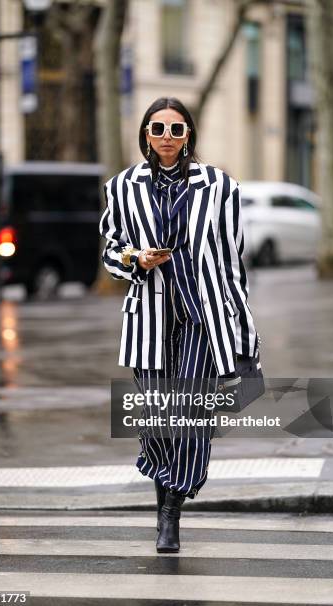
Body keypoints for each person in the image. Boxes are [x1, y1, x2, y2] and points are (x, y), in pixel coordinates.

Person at [99, 96, 260, 553]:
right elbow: (112, 253)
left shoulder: (220, 186)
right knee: (157, 419)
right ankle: (167, 496)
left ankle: (169, 516)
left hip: (201, 318)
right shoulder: (122, 187)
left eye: (176, 129)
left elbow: (232, 262)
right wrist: (135, 258)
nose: (166, 138)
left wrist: (242, 327)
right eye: (157, 129)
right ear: (145, 134)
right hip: (148, 319)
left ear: (189, 134)